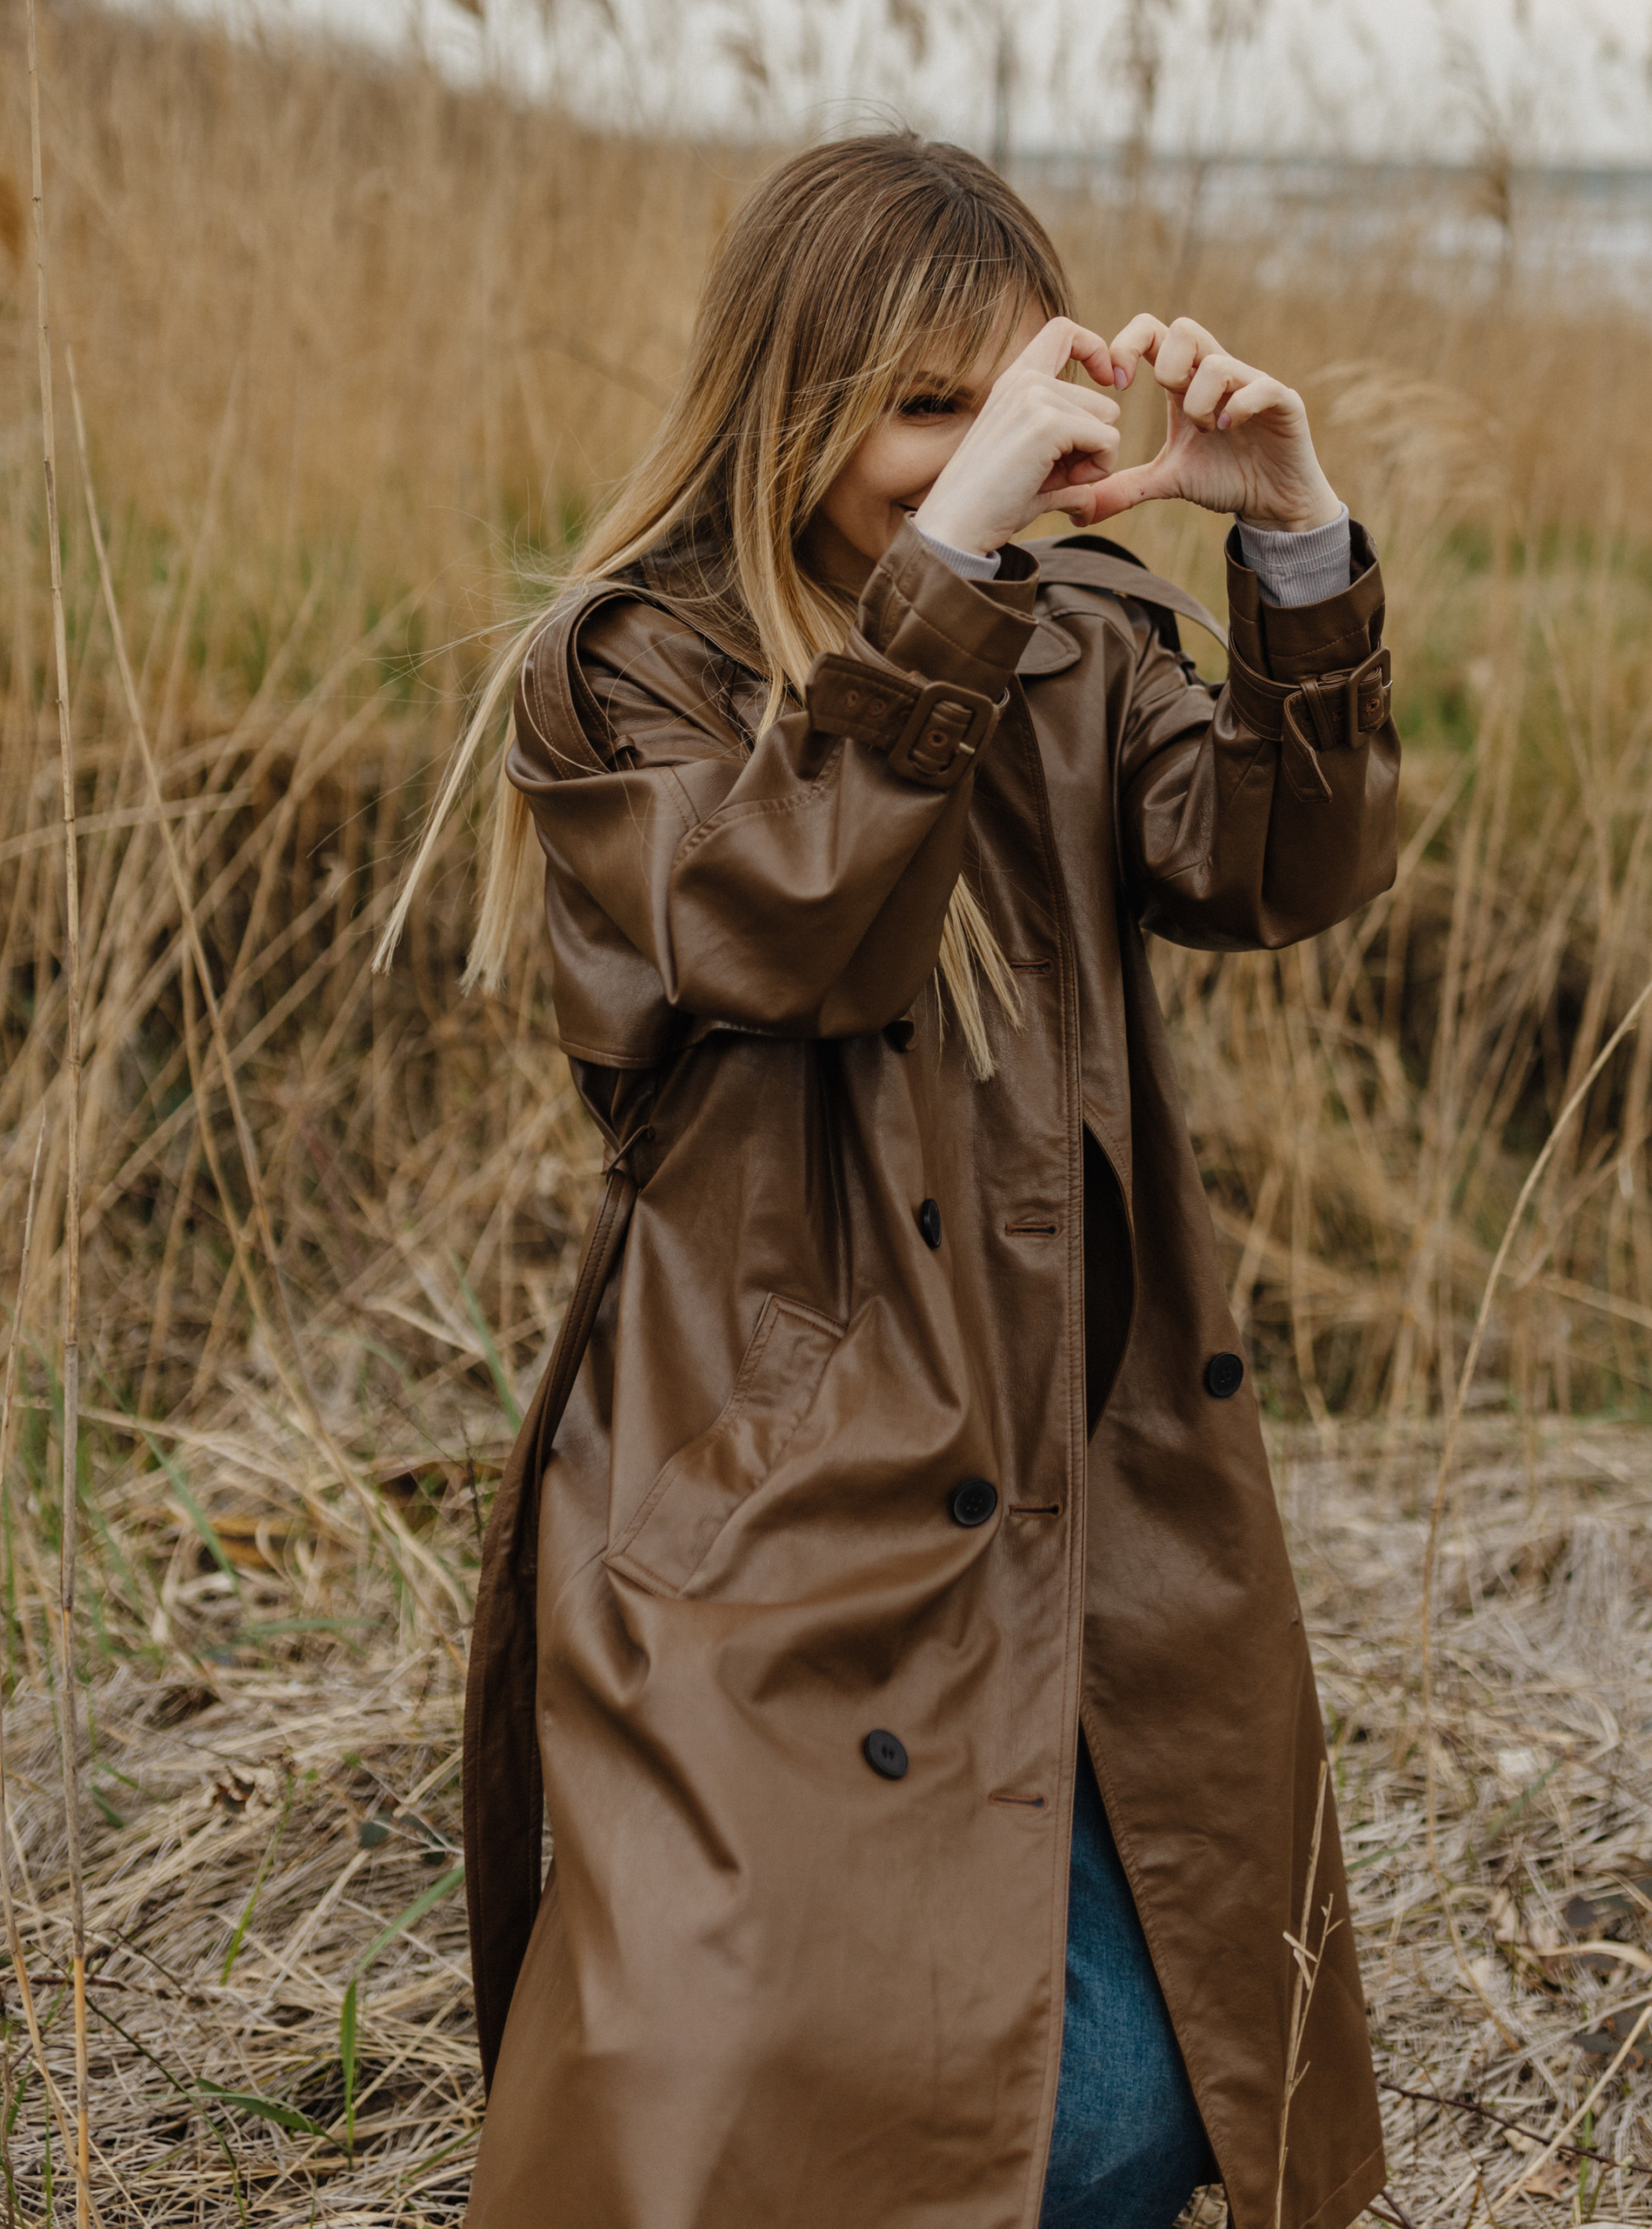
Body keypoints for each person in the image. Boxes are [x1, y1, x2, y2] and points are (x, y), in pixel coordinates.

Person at [430, 135, 1400, 2229]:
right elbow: (790, 928)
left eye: (1011, 395)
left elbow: (1277, 866)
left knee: (1154, 2088)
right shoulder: (628, 673)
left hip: (1073, 1470)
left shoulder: (1073, 638)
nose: (981, 455)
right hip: (767, 1495)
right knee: (744, 2099)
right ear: (788, 403)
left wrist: (1293, 538)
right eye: (920, 407)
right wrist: (951, 569)